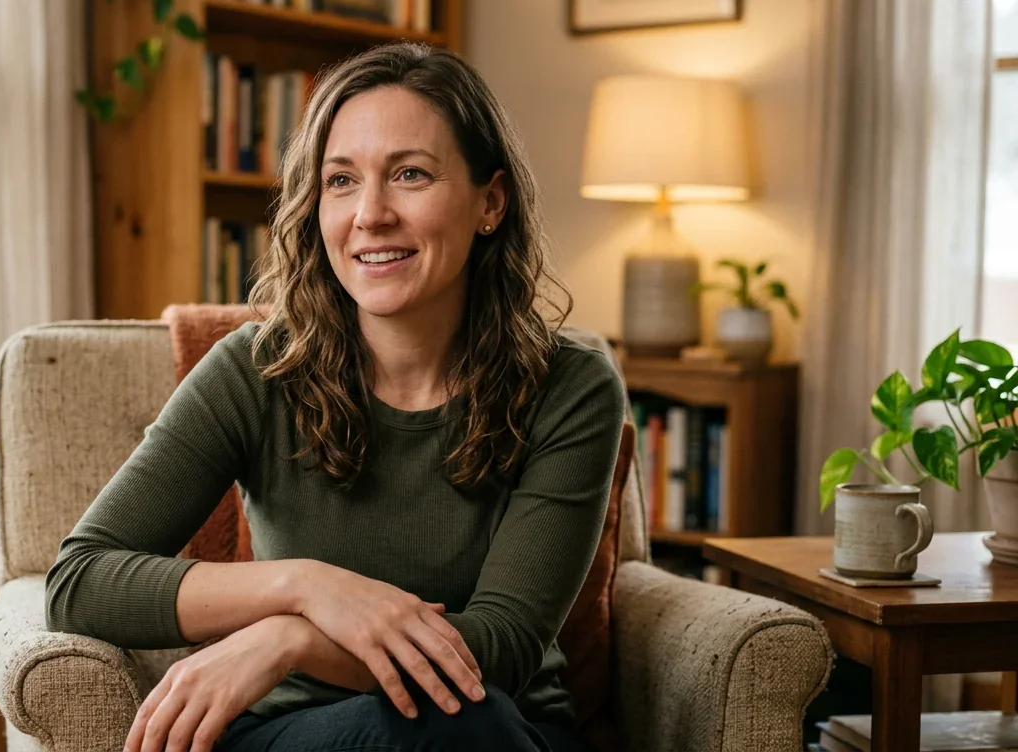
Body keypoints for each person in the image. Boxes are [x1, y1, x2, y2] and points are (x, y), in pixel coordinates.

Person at [45, 41, 625, 752]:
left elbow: (498, 647)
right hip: (298, 735)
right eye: (341, 181)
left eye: (410, 174)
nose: (370, 214)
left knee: (468, 722)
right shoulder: (255, 370)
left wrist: (288, 642)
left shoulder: (571, 386)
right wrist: (304, 588)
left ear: (490, 203)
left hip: (493, 724)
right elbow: (81, 581)